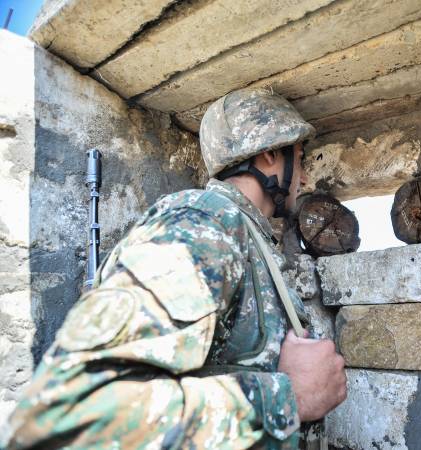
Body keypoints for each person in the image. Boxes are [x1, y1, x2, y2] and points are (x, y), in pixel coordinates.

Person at [2, 88, 347, 449]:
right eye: (301, 159)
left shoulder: (243, 234)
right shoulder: (205, 224)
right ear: (269, 154)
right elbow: (73, 415)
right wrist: (287, 398)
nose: (304, 178)